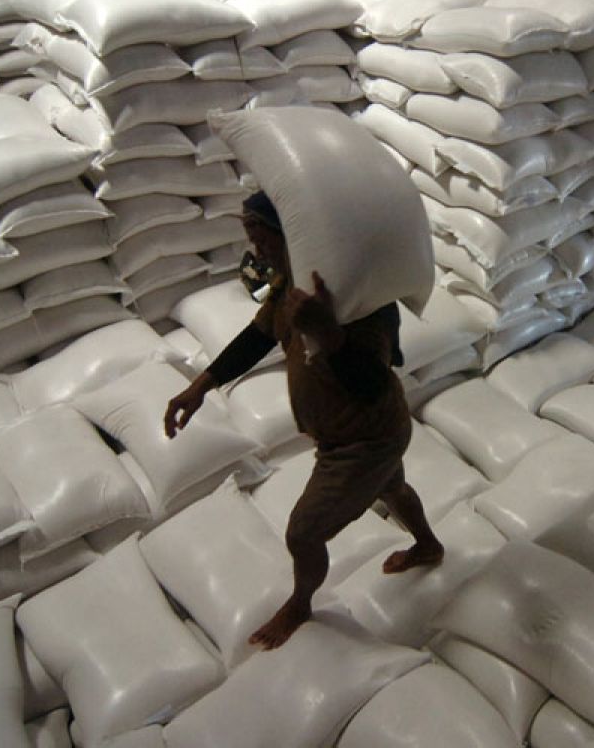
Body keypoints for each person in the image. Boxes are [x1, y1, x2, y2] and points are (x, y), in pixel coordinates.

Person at [163, 191, 444, 650]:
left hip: (364, 440)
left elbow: (375, 379)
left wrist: (330, 335)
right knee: (391, 487)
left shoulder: (358, 296)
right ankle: (428, 546)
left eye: (264, 240)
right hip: (357, 434)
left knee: (303, 532)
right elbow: (258, 336)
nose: (258, 253)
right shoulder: (291, 287)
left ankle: (300, 603)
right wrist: (201, 384)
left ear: (293, 235)